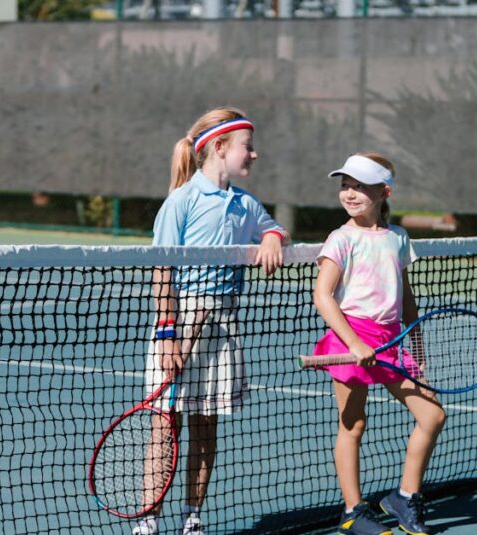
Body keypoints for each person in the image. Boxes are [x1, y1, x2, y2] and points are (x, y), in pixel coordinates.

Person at [134, 107, 290, 535]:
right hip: (179, 320)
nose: (254, 155)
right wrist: (168, 334)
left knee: (206, 426)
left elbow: (274, 229)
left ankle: (192, 517)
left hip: (222, 325)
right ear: (219, 148)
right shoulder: (180, 202)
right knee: (165, 425)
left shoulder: (246, 205)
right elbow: (161, 271)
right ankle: (148, 519)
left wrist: (274, 236)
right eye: (248, 147)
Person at [311, 152, 446, 535]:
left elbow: (405, 297)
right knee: (353, 424)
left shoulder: (398, 238)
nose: (350, 193)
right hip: (350, 335)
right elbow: (323, 296)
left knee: (432, 415)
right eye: (345, 185)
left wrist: (416, 343)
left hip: (390, 342)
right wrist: (353, 343)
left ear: (384, 192)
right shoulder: (341, 238)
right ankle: (353, 512)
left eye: (360, 187)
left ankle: (404, 496)